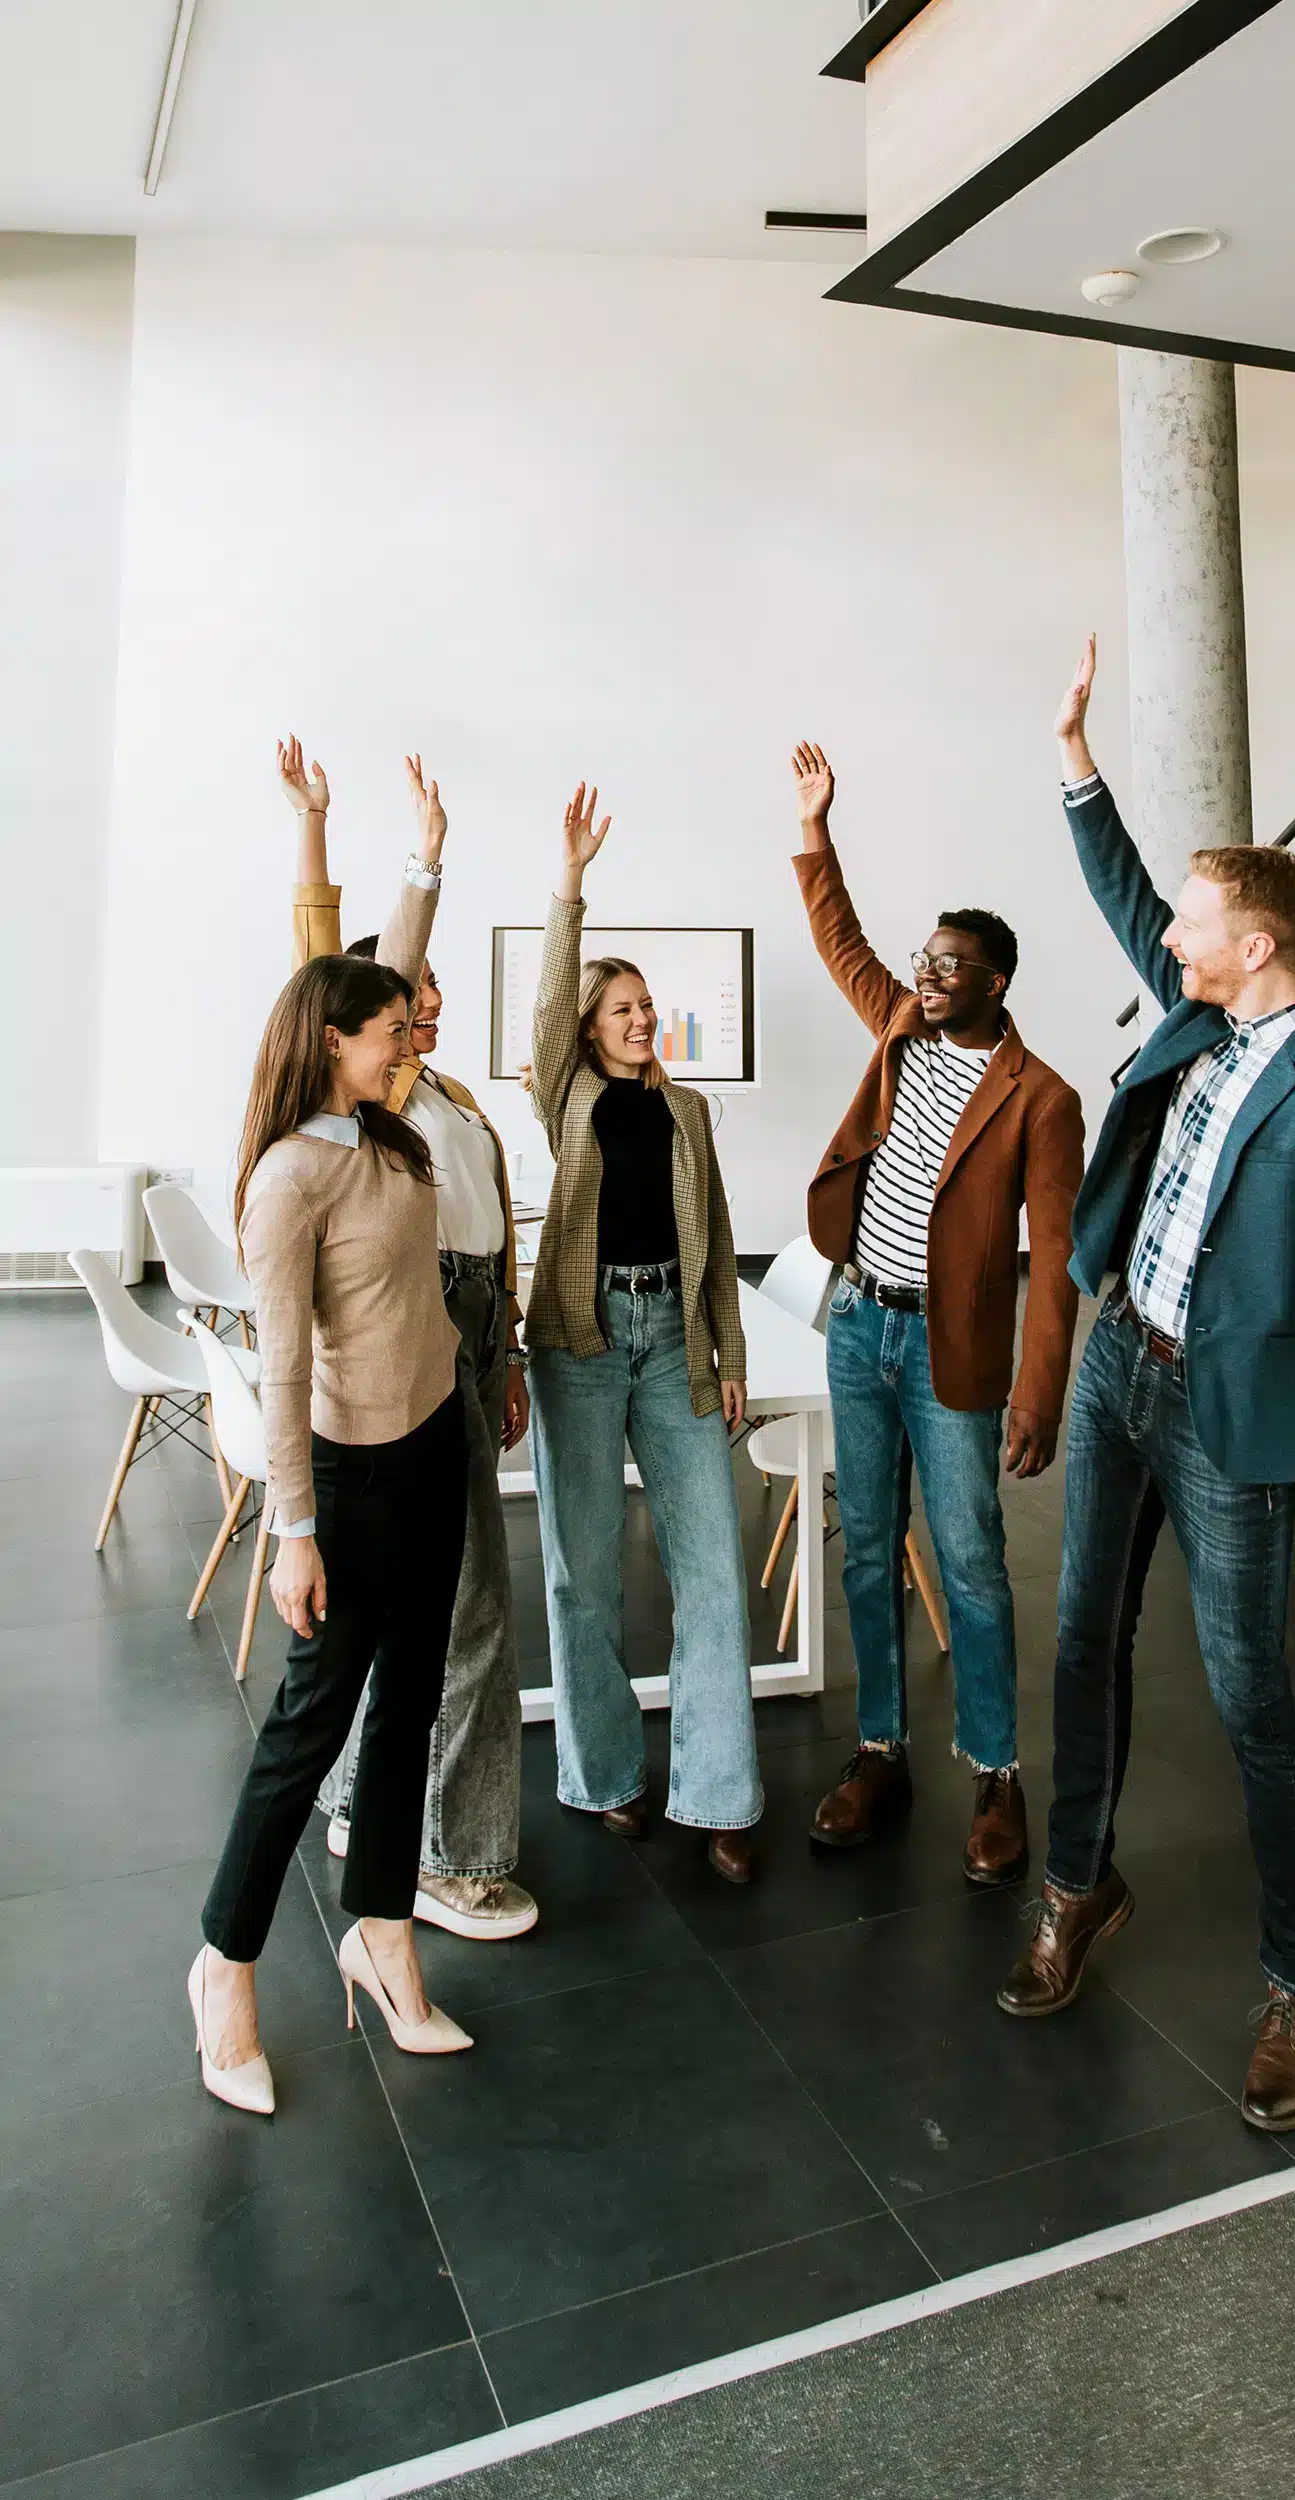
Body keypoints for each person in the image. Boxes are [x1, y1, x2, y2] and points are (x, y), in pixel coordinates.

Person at [998, 637, 1295, 2133]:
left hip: (1237, 1427)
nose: (1169, 939)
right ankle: (1076, 1884)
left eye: (1196, 925)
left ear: (1255, 943)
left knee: (1250, 1698)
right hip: (1125, 1355)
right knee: (1081, 1643)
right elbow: (1130, 896)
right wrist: (1074, 760)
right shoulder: (1204, 1013)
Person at [789, 743, 1085, 1881]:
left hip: (949, 1350)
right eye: (927, 960)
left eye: (952, 965)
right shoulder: (899, 1030)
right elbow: (838, 938)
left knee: (969, 1558)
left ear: (997, 981)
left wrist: (1038, 1389)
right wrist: (817, 828)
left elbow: (1054, 1257)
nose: (929, 976)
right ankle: (880, 1749)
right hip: (858, 1322)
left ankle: (997, 1771)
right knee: (868, 1547)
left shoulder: (1042, 1098)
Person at [190, 951, 473, 2116]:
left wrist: (425, 852)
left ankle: (385, 1937)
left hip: (433, 1449)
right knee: (309, 1731)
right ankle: (225, 1966)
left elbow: (386, 953)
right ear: (333, 1039)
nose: (407, 1041)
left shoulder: (383, 1136)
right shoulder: (286, 1182)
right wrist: (293, 1532)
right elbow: (286, 1370)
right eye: (390, 1029)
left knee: (410, 1706)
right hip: (348, 1481)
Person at [279, 736, 535, 1945]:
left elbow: (497, 1238)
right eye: (403, 1001)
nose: (424, 1008)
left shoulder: (453, 1100)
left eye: (424, 1002)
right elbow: (334, 952)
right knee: (468, 1600)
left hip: (479, 1326)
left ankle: (361, 1802)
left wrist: (512, 1347)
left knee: (423, 1596)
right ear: (358, 1024)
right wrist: (411, 852)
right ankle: (455, 1855)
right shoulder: (363, 1102)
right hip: (414, 1326)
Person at [525, 782, 762, 1882]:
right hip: (578, 1339)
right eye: (620, 1007)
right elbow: (543, 1013)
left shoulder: (689, 1112)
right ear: (585, 1026)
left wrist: (729, 1362)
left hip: (671, 1331)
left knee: (710, 1565)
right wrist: (572, 883)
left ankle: (718, 1792)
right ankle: (606, 1773)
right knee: (583, 1575)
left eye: (646, 1005)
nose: (639, 1018)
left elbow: (714, 1241)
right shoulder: (564, 1093)